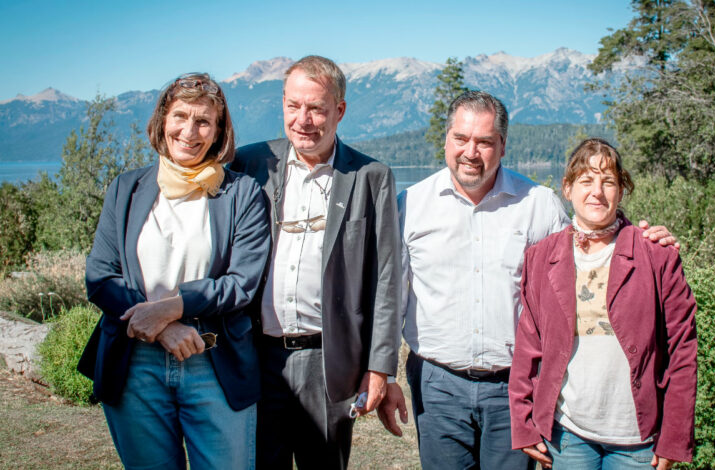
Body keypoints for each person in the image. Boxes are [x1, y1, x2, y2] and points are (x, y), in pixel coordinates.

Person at [377, 91, 678, 470]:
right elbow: (389, 296)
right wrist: (384, 375)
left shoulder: (538, 204)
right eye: (461, 138)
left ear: (503, 146)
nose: (471, 152)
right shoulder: (410, 205)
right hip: (437, 385)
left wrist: (641, 239)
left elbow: (589, 248)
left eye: (485, 141)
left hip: (514, 387)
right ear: (446, 139)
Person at [77, 73, 270, 470]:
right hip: (135, 364)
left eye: (204, 121)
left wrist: (173, 308)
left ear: (218, 132)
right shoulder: (126, 188)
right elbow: (100, 276)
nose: (190, 131)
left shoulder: (242, 193)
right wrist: (160, 326)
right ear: (162, 120)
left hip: (214, 362)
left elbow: (242, 283)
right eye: (180, 116)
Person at [230, 55, 401, 470]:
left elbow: (386, 280)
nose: (303, 120)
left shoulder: (371, 177)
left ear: (339, 110)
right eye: (294, 106)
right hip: (256, 356)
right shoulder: (251, 164)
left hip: (328, 362)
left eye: (316, 109)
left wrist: (380, 368)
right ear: (282, 104)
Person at [508, 138, 697, 469]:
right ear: (567, 188)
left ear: (621, 191)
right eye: (586, 181)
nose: (597, 192)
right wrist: (523, 424)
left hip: (637, 440)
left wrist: (675, 437)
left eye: (608, 181)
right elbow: (528, 347)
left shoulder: (656, 256)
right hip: (567, 434)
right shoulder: (541, 258)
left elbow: (682, 350)